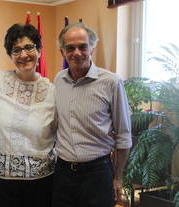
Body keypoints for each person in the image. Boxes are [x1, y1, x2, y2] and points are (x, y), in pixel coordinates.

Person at [52, 22, 132, 207]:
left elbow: (124, 134)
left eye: (83, 46)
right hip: (63, 173)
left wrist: (118, 177)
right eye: (70, 48)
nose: (77, 53)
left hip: (98, 173)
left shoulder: (111, 82)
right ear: (62, 51)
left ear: (92, 48)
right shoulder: (58, 80)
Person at [0, 23, 56, 207]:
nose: (23, 55)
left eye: (29, 47)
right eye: (16, 50)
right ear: (10, 55)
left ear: (39, 50)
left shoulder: (53, 92)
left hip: (40, 185)